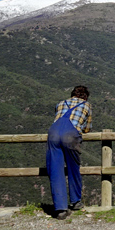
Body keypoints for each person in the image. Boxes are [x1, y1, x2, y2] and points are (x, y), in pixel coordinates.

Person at [46, 85, 93, 220]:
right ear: (85, 96)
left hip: (53, 135)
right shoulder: (87, 105)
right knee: (73, 169)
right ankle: (76, 201)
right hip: (70, 136)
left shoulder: (60, 103)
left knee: (55, 170)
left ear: (72, 94)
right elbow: (87, 128)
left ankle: (60, 209)